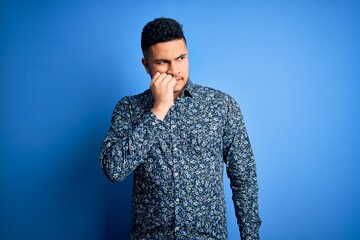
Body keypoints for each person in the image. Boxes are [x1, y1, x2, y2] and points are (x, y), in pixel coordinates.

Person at [99, 17, 261, 240]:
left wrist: (250, 236)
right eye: (163, 62)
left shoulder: (221, 105)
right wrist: (159, 109)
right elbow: (114, 170)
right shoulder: (128, 109)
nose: (175, 70)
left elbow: (244, 178)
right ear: (146, 65)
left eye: (181, 58)